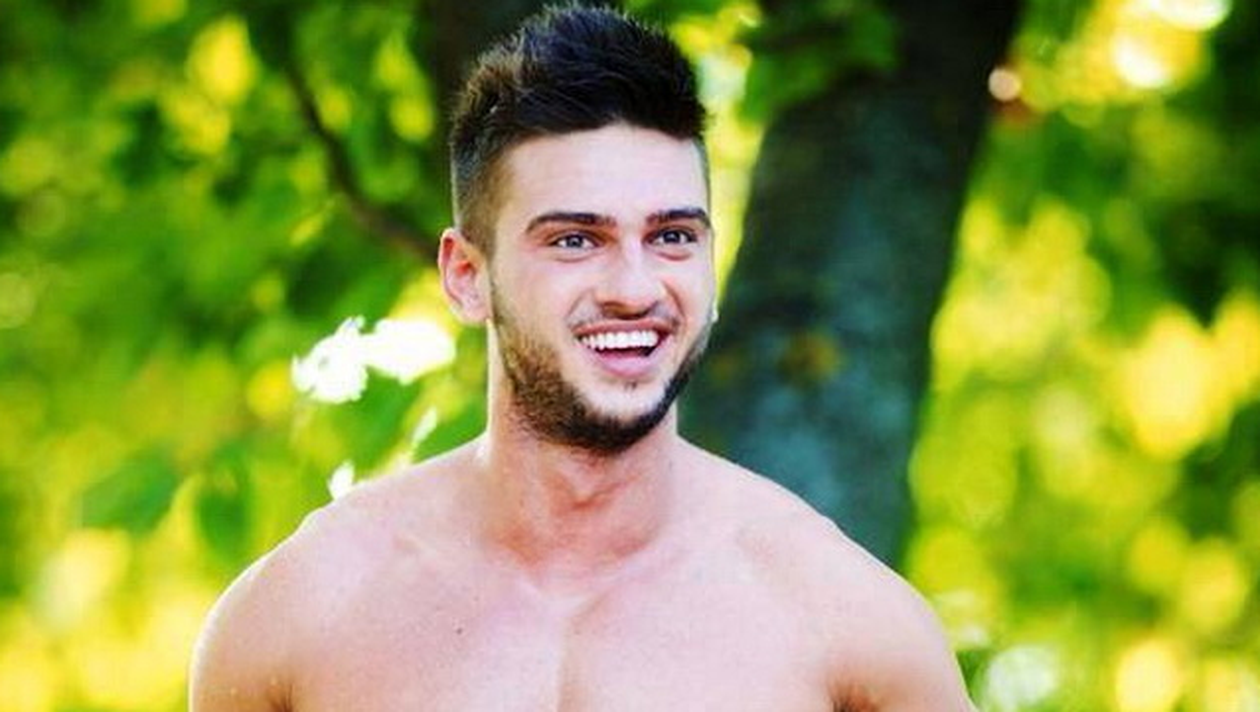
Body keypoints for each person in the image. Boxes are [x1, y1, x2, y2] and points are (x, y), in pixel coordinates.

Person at [189, 6, 975, 710]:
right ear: (466, 276)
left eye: (672, 237)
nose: (635, 288)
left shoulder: (849, 625)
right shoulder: (301, 619)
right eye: (575, 239)